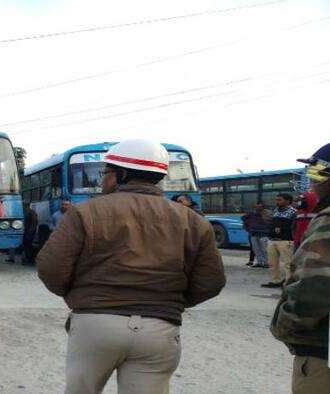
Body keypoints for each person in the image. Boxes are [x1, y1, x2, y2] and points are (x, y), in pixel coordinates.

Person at [37, 139, 225, 394]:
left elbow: (51, 267)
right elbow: (211, 281)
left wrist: (83, 297)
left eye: (106, 173)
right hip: (159, 328)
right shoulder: (193, 221)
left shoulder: (84, 213)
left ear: (121, 175)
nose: (103, 180)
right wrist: (168, 302)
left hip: (95, 325)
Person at [270, 142, 330, 393]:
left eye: (316, 173)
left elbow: (315, 287)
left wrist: (283, 325)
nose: (312, 182)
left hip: (323, 348)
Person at [261, 193, 297, 288]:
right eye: (276, 200)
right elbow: (272, 223)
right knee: (272, 262)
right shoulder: (275, 210)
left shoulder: (293, 212)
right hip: (272, 240)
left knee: (288, 263)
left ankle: (288, 283)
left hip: (285, 240)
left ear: (288, 201)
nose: (277, 202)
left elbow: (293, 227)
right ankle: (276, 281)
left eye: (279, 200)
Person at [241, 201, 272, 268]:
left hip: (264, 234)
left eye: (259, 207)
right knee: (256, 249)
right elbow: (243, 218)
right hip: (254, 234)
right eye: (256, 207)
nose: (257, 208)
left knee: (264, 249)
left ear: (263, 207)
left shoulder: (267, 213)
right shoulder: (252, 214)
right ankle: (259, 262)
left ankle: (266, 263)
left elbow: (271, 221)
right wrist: (250, 226)